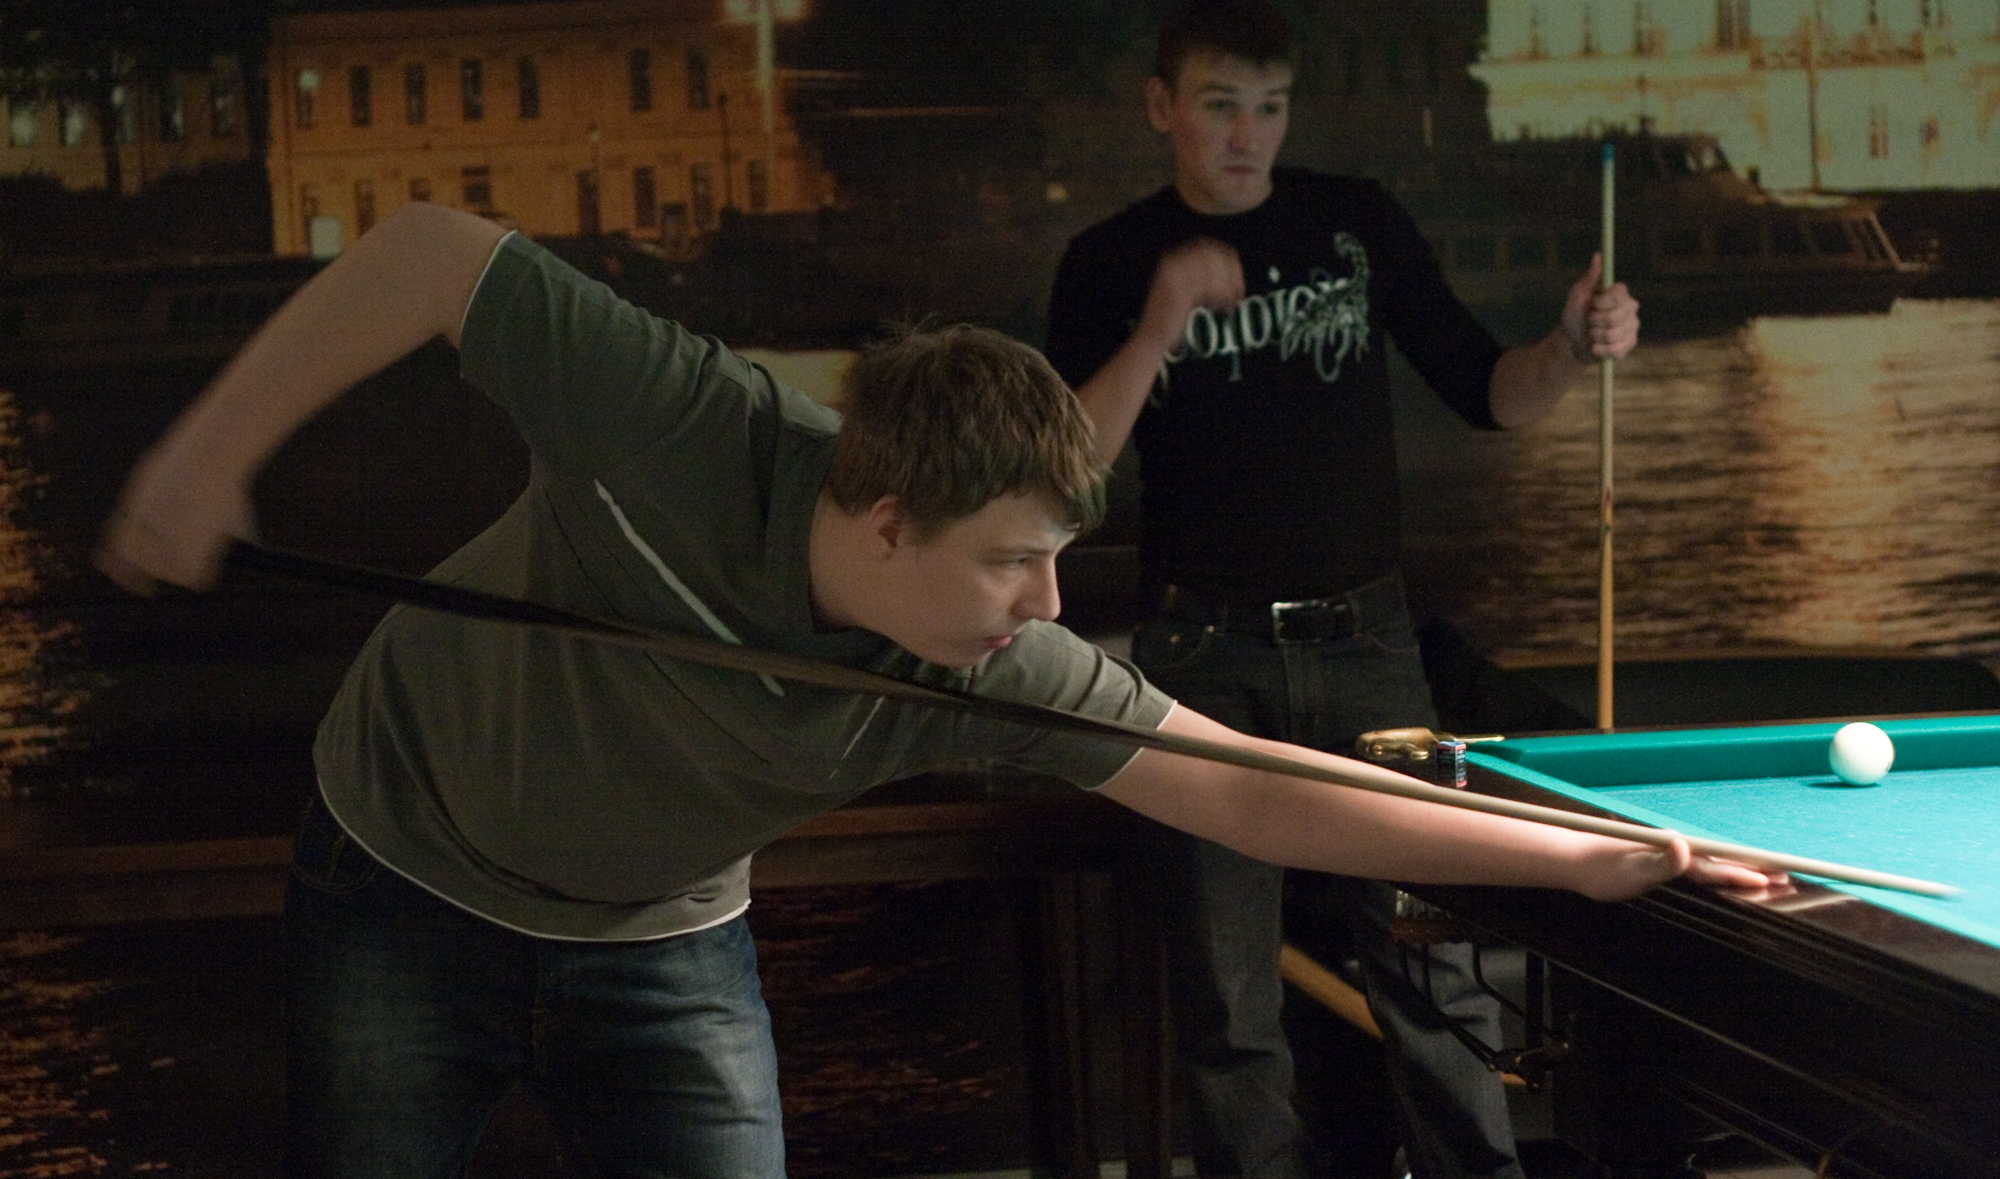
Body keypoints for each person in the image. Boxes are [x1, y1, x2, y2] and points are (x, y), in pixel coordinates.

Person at [98, 199, 1735, 1179]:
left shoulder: (986, 656)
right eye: (1012, 561)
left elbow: (1254, 783)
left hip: (659, 936)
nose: (1047, 607)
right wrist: (202, 458)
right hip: (403, 876)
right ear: (884, 516)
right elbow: (426, 254)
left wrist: (1589, 859)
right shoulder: (685, 419)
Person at [1042, 0, 1641, 1179]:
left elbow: (1486, 390)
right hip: (1203, 659)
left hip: (1368, 645)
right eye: (1219, 105)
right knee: (1227, 1009)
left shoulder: (1351, 222)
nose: (1246, 135)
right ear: (1162, 107)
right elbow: (1067, 471)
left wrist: (1570, 346)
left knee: (1432, 972)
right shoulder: (1110, 260)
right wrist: (1159, 322)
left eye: (1267, 107)